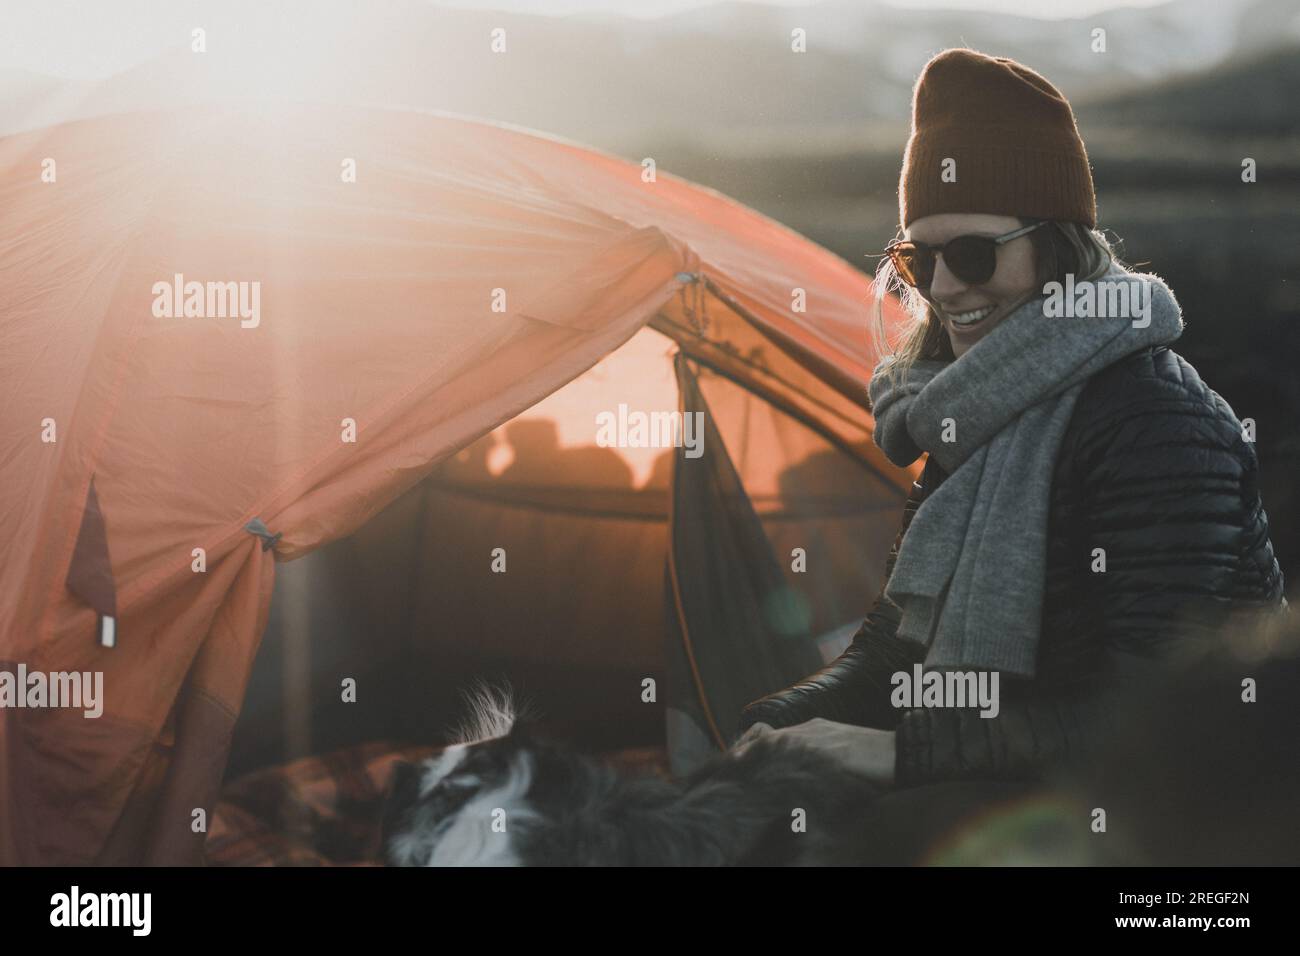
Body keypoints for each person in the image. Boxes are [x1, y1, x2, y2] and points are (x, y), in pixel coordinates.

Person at [733, 48, 1287, 795]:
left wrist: (899, 755)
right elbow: (893, 656)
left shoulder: (1158, 427)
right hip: (1012, 781)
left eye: (973, 254)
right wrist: (767, 725)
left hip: (1172, 815)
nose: (946, 287)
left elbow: (1149, 712)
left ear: (1058, 251)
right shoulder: (969, 407)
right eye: (918, 261)